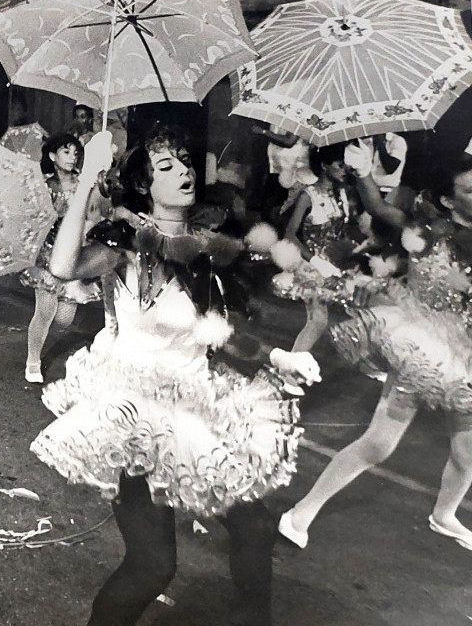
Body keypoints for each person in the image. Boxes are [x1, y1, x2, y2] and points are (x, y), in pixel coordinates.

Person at [30, 126, 318, 626]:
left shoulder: (207, 246)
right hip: (137, 416)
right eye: (166, 166)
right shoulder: (125, 245)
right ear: (144, 185)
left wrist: (277, 357)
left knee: (254, 528)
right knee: (153, 567)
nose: (184, 170)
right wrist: (88, 176)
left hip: (195, 405)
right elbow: (63, 265)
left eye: (185, 161)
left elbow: (213, 332)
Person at [278, 145, 472, 552]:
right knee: (379, 444)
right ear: (448, 200)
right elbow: (380, 209)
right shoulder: (425, 232)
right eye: (470, 191)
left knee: (468, 452)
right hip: (420, 351)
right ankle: (301, 511)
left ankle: (444, 515)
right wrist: (364, 171)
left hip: (464, 354)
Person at [18, 133, 102, 383]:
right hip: (47, 255)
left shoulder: (84, 184)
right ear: (53, 156)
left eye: (75, 152)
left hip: (75, 254)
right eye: (66, 152)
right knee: (44, 311)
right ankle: (33, 361)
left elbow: (95, 215)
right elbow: (30, 218)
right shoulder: (43, 186)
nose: (72, 157)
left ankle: (42, 338)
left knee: (64, 320)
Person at [276, 142, 359, 354]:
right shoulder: (308, 195)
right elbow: (289, 234)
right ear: (324, 165)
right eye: (339, 165)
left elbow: (344, 231)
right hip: (312, 266)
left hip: (338, 264)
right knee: (318, 321)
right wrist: (316, 261)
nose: (344, 170)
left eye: (346, 166)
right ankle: (290, 366)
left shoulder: (343, 194)